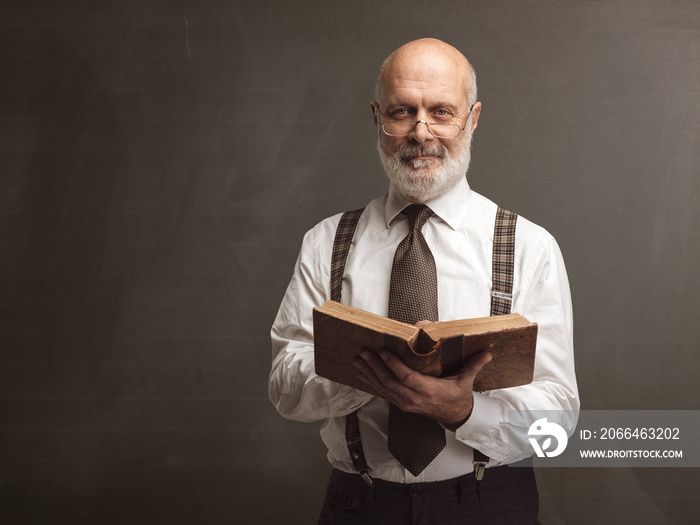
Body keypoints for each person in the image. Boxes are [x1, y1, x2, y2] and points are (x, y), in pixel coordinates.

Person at [269, 38, 578, 524]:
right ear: (377, 117)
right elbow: (285, 390)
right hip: (359, 506)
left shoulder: (529, 247)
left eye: (441, 112)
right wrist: (363, 376)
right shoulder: (326, 242)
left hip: (489, 503)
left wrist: (464, 411)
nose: (421, 132)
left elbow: (558, 419)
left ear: (472, 119)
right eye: (401, 112)